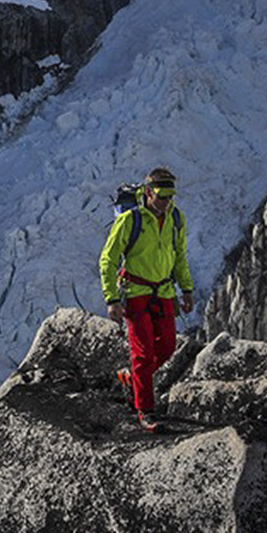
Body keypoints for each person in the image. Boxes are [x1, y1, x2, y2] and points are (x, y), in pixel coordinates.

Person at [99, 167, 193, 431]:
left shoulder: (176, 218)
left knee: (167, 348)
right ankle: (146, 411)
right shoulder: (130, 220)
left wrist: (186, 289)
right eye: (162, 196)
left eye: (170, 197)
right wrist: (112, 298)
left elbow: (180, 256)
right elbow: (108, 259)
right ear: (149, 192)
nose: (166, 202)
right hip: (136, 292)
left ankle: (132, 379)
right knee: (143, 353)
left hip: (163, 291)